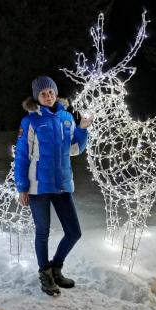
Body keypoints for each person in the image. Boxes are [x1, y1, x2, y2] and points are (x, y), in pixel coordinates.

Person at [14, 76, 93, 296]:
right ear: (36, 97)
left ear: (55, 93)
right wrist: (22, 186)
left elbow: (75, 149)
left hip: (62, 185)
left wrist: (83, 129)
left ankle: (56, 268)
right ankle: (45, 274)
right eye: (43, 94)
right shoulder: (30, 121)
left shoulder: (66, 117)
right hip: (38, 186)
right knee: (43, 232)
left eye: (50, 92)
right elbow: (21, 155)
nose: (47, 96)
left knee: (74, 232)